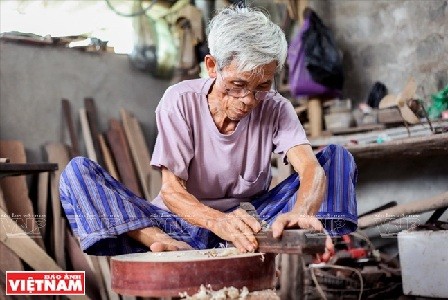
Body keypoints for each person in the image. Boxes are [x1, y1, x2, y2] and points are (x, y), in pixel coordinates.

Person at [60, 6, 357, 257]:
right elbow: (172, 191)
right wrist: (217, 222)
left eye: (262, 86)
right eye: (238, 85)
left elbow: (311, 169)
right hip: (179, 222)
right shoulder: (179, 100)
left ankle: (304, 236)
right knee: (78, 173)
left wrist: (302, 212)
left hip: (251, 222)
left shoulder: (277, 107)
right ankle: (156, 241)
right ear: (213, 67)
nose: (249, 100)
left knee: (336, 159)